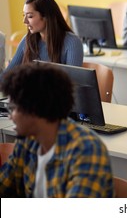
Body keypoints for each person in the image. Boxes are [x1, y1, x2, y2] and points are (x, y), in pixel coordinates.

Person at [0, 63, 114, 197]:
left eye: (12, 108)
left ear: (36, 108)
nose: (10, 116)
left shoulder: (86, 150)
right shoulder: (27, 142)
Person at [2, 0, 83, 78]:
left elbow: (73, 83)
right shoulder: (27, 40)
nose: (24, 21)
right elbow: (7, 75)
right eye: (24, 15)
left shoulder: (72, 42)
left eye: (30, 16)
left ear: (46, 17)